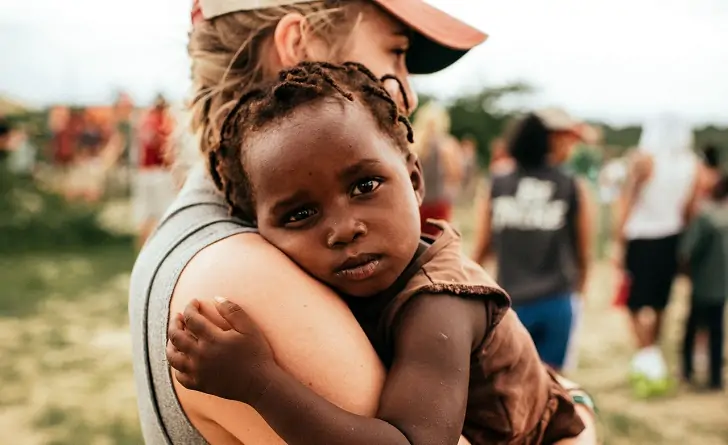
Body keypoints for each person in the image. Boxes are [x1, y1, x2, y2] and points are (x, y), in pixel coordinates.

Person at [128, 1, 598, 444]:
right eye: (396, 53)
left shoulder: (196, 229)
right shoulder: (236, 274)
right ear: (299, 47)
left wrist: (569, 408)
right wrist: (582, 419)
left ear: (413, 179)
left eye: (365, 187)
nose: (409, 94)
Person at [471, 109, 593, 373]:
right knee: (550, 385)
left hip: (510, 302)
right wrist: (580, 290)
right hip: (557, 300)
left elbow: (482, 246)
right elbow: (583, 249)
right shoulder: (570, 184)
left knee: (509, 385)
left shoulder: (497, 183)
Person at [615, 114, 700, 396]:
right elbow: (689, 210)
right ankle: (652, 354)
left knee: (633, 300)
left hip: (641, 237)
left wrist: (618, 239)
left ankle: (646, 353)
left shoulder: (645, 160)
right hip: (671, 237)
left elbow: (628, 199)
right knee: (661, 299)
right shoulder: (692, 164)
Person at [679, 174, 728, 391]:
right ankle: (715, 378)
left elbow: (687, 250)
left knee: (692, 327)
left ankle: (687, 371)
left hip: (703, 282)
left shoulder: (706, 216)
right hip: (722, 283)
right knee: (717, 330)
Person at [411, 101, 463, 236]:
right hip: (438, 203)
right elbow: (456, 175)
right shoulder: (447, 144)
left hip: (415, 202)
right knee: (435, 245)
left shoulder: (413, 142)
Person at [133, 94, 176, 248]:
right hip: (159, 173)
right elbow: (164, 148)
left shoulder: (144, 120)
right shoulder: (163, 122)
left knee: (145, 215)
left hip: (144, 172)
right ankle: (158, 250)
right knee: (163, 215)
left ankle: (142, 253)